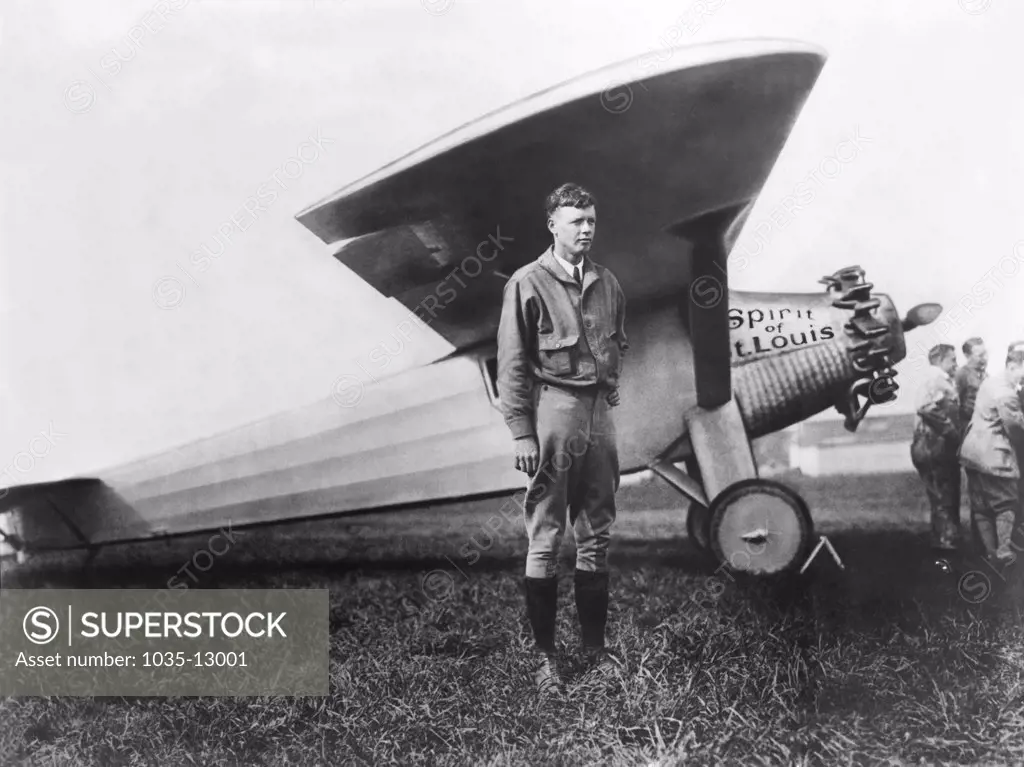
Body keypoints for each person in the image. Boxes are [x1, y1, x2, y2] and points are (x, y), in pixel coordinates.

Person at [497, 182, 628, 695]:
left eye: (591, 220)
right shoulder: (527, 282)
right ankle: (545, 661)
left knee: (597, 530)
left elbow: (618, 338)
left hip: (599, 414)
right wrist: (521, 432)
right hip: (554, 409)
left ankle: (594, 653)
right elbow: (511, 365)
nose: (586, 229)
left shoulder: (607, 280)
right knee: (547, 532)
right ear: (553, 224)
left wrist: (611, 385)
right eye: (576, 221)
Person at [958, 343, 1024, 566]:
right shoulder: (1005, 392)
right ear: (1013, 366)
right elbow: (1015, 428)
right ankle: (1004, 550)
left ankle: (990, 553)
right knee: (1006, 501)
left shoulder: (990, 381)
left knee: (982, 506)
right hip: (993, 455)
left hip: (972, 452)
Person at [910, 344, 962, 552]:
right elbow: (924, 407)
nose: (956, 364)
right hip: (933, 444)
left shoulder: (939, 379)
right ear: (940, 361)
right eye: (952, 360)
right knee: (942, 493)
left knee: (942, 493)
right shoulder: (936, 379)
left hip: (935, 445)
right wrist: (951, 431)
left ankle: (944, 537)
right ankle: (945, 540)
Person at [955, 337, 988, 428]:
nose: (985, 358)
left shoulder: (986, 375)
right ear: (967, 355)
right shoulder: (961, 375)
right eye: (980, 355)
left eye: (985, 353)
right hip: (968, 425)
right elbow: (955, 404)